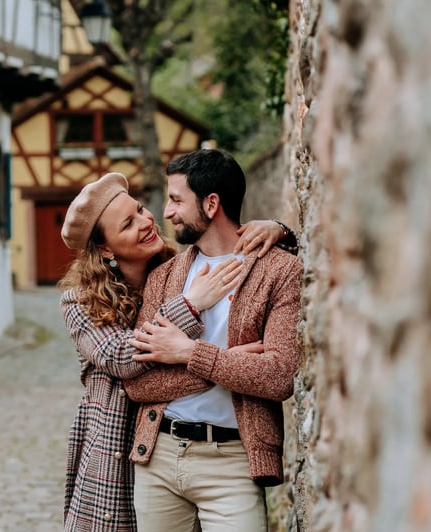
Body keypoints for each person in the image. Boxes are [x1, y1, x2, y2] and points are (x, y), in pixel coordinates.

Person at [58, 171, 298, 531]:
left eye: (139, 209)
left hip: (179, 446)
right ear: (106, 249)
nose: (146, 221)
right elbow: (124, 359)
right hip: (117, 448)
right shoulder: (80, 301)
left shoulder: (175, 271)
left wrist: (280, 229)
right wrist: (200, 318)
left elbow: (221, 231)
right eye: (128, 223)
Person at [122, 149, 303, 532]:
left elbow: (278, 376)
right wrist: (227, 364)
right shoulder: (165, 277)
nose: (167, 213)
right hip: (159, 456)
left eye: (175, 200)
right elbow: (137, 383)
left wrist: (187, 352)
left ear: (211, 203)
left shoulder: (280, 271)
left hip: (234, 461)